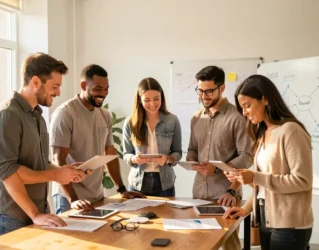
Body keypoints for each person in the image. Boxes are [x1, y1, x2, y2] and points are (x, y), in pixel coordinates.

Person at [0, 53, 87, 238]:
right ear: (36, 82)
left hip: (35, 213)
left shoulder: (37, 116)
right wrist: (37, 213)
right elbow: (7, 172)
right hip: (10, 217)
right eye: (55, 86)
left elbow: (39, 163)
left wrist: (64, 172)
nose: (58, 93)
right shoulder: (6, 116)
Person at [223, 75, 313, 250]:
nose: (244, 113)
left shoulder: (291, 131)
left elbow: (302, 181)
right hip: (266, 218)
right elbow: (264, 189)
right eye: (242, 108)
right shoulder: (262, 134)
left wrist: (255, 177)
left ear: (265, 99)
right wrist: (246, 208)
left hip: (289, 224)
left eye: (247, 106)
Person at [50, 64, 145, 214]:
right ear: (83, 85)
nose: (103, 94)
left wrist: (121, 189)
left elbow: (110, 153)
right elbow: (58, 159)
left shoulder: (105, 115)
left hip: (96, 195)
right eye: (98, 89)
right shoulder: (65, 114)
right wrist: (73, 199)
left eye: (106, 89)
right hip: (69, 197)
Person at [186, 66, 253, 250]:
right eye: (200, 91)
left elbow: (247, 156)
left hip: (226, 194)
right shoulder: (196, 118)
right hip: (199, 193)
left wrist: (217, 169)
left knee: (229, 245)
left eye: (209, 91)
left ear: (222, 88)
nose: (204, 96)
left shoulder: (237, 117)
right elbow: (192, 148)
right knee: (199, 242)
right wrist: (192, 160)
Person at [122, 77, 182, 196]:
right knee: (136, 215)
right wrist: (134, 159)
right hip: (138, 183)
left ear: (162, 98)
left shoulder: (172, 120)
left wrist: (167, 159)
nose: (152, 104)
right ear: (140, 100)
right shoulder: (130, 122)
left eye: (156, 99)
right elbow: (126, 154)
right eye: (147, 100)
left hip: (165, 183)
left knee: (166, 215)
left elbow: (178, 153)